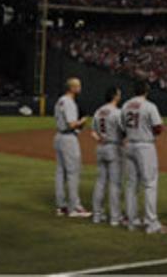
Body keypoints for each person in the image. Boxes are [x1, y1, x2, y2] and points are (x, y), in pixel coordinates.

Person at [121, 81, 167, 234]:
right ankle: (152, 223)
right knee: (149, 184)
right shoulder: (149, 106)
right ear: (146, 91)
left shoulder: (126, 105)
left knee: (131, 184)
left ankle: (132, 220)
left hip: (129, 145)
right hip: (145, 146)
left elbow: (122, 127)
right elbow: (158, 127)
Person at [53, 77, 91, 217]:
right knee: (73, 172)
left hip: (59, 137)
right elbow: (72, 124)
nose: (80, 88)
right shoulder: (69, 102)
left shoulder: (60, 100)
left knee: (60, 172)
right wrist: (82, 121)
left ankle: (61, 206)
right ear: (72, 88)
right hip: (68, 138)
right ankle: (75, 207)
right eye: (78, 86)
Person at [91, 86, 124, 225]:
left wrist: (99, 138)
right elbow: (124, 131)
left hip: (100, 147)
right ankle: (115, 218)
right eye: (119, 94)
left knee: (100, 182)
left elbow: (92, 132)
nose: (120, 96)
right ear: (115, 96)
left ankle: (97, 216)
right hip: (113, 147)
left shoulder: (99, 111)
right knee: (115, 184)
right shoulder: (117, 112)